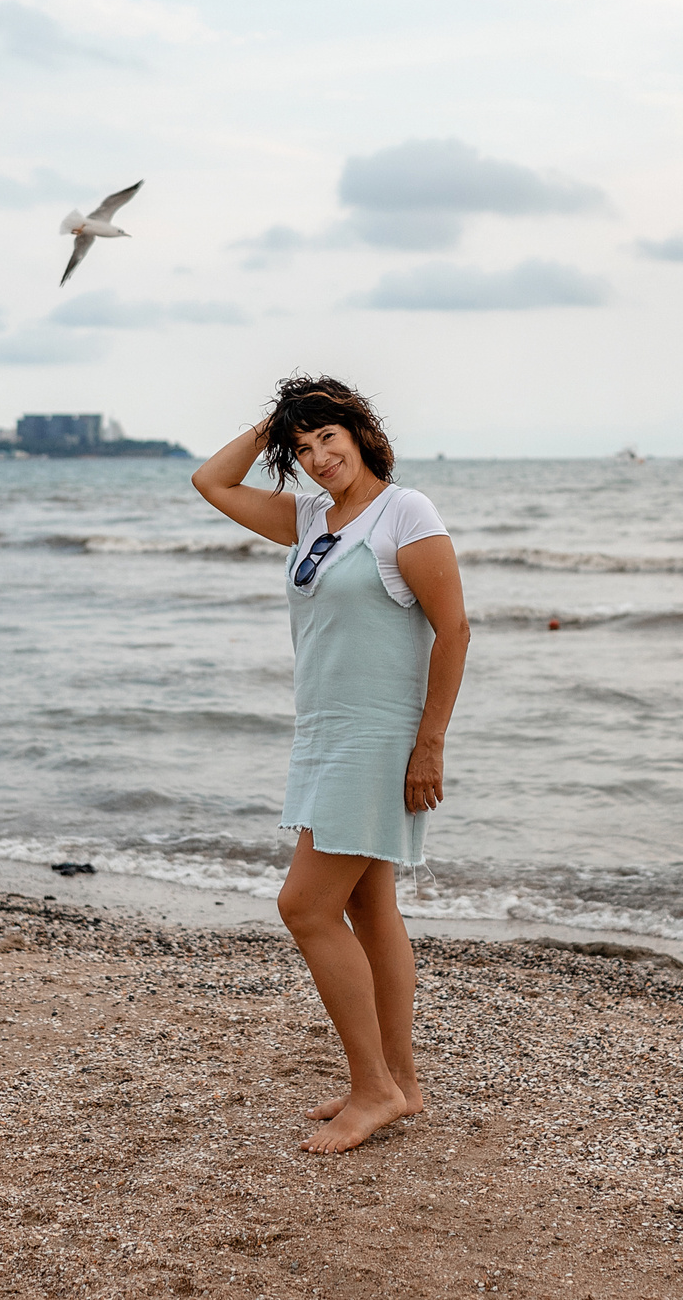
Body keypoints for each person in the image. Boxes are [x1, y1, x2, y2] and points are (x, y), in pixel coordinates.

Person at [190, 374, 469, 1154]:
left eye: (328, 438)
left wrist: (430, 742)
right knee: (370, 906)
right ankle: (401, 1083)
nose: (317, 457)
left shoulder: (404, 511)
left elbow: (454, 631)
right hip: (322, 732)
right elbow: (210, 480)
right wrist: (272, 422)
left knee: (305, 906)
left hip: (377, 739)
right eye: (302, 446)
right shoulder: (311, 517)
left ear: (359, 431)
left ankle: (372, 1087)